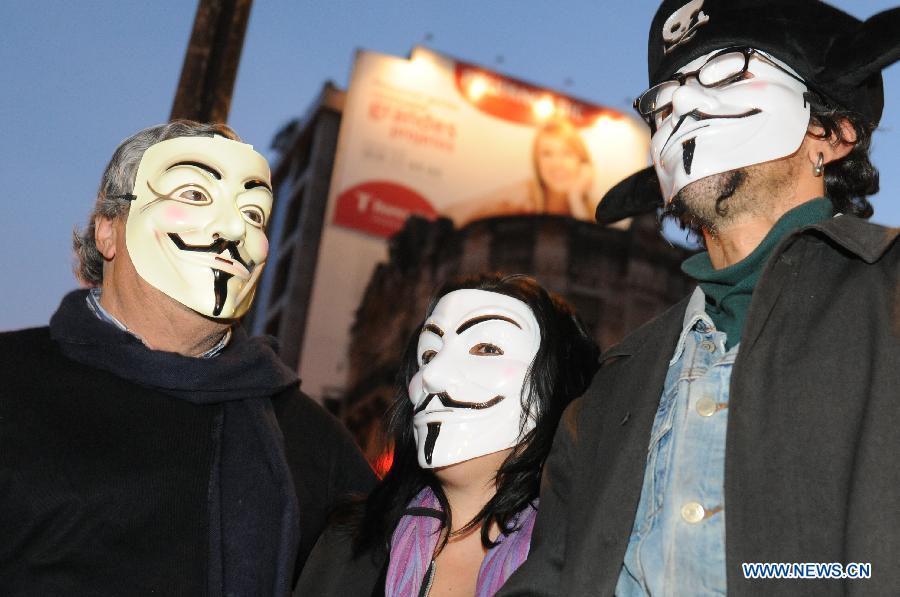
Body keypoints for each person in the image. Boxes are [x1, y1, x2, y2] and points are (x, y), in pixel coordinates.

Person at [500, 1, 900, 596]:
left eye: (726, 75)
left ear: (832, 133)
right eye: (663, 102)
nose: (684, 107)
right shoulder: (611, 389)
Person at [0, 120, 376, 596]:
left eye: (255, 214)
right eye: (195, 195)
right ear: (108, 232)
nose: (233, 229)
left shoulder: (315, 444)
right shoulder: (11, 382)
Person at [295, 274, 599, 596]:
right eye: (428, 355)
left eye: (486, 348)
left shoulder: (590, 560)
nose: (432, 375)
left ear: (557, 387)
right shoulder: (347, 546)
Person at [446, 119, 595, 226]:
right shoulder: (519, 198)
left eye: (567, 153)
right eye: (547, 154)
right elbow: (452, 215)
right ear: (537, 162)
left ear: (582, 162)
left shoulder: (594, 211)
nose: (557, 163)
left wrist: (576, 199)